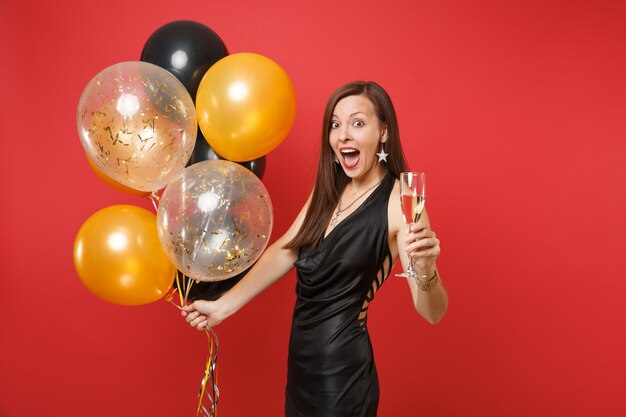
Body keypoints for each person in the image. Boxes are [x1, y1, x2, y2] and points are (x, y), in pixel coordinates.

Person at [182, 81, 448, 416]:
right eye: (335, 125)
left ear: (384, 131)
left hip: (343, 376)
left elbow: (432, 312)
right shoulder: (330, 191)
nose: (343, 136)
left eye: (358, 123)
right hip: (301, 368)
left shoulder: (406, 201)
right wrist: (223, 306)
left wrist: (425, 270)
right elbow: (287, 250)